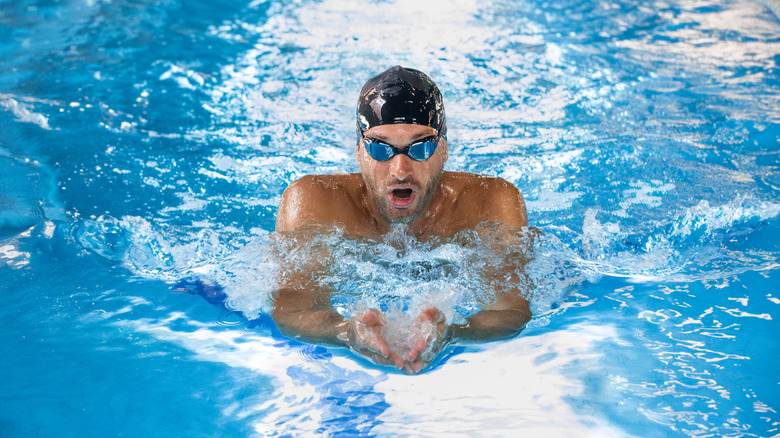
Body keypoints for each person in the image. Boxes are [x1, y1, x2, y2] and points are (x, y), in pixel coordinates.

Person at [272, 66, 532, 374]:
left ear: (444, 150)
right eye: (380, 148)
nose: (400, 170)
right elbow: (292, 308)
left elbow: (512, 309)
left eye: (420, 147)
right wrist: (345, 333)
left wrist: (455, 332)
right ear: (358, 152)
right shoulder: (314, 203)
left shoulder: (490, 203)